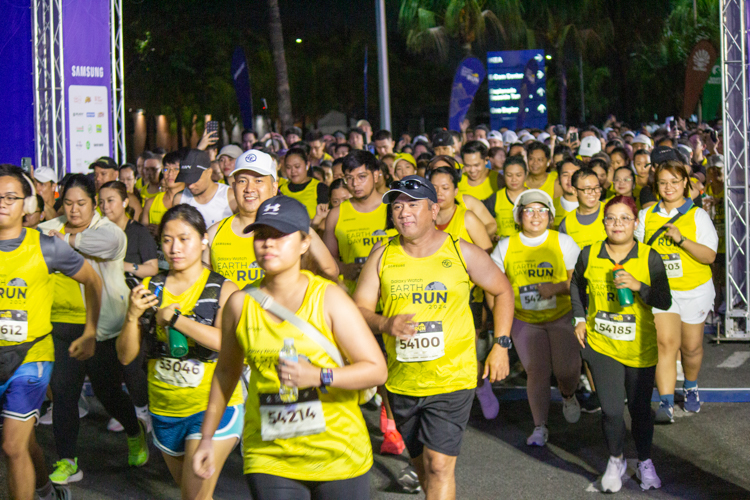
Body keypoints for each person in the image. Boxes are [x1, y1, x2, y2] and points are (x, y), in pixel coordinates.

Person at [191, 195, 386, 499]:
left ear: (305, 243)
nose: (268, 244)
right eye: (261, 235)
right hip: (269, 454)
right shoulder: (239, 304)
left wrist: (320, 376)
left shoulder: (329, 298)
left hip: (337, 453)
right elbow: (226, 372)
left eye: (280, 235)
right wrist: (206, 437)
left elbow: (376, 370)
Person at [353, 175, 515, 499]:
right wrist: (385, 324)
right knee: (424, 469)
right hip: (402, 381)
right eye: (397, 206)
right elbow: (358, 308)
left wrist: (501, 344)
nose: (403, 212)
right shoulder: (382, 255)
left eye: (412, 204)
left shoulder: (461, 251)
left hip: (453, 378)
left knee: (439, 465)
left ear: (434, 207)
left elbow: (502, 289)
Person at [117, 204, 244, 499]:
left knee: (194, 496)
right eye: (167, 240)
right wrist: (133, 316)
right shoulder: (150, 288)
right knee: (194, 493)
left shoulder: (222, 289)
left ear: (203, 242)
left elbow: (229, 344)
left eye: (185, 239)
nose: (175, 248)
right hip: (164, 408)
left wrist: (176, 319)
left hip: (213, 407)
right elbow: (125, 356)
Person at [38, 174, 148, 485]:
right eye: (69, 203)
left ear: (94, 204)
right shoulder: (48, 230)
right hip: (65, 325)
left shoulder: (110, 232)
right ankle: (67, 460)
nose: (74, 210)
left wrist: (64, 241)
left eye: (82, 204)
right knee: (64, 392)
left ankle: (133, 430)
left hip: (104, 327)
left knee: (108, 391)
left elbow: (100, 245)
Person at [0, 165, 102, 500]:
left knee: (12, 446)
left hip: (32, 356)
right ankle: (46, 491)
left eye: (11, 197)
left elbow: (92, 280)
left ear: (26, 203)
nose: (3, 202)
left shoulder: (46, 247)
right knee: (23, 443)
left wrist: (89, 331)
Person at [572, 195, 671, 492]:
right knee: (612, 411)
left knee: (640, 409)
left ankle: (644, 460)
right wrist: (578, 318)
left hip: (639, 346)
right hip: (602, 344)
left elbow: (664, 300)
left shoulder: (649, 256)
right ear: (603, 223)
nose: (618, 224)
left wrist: (639, 286)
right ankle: (615, 459)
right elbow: (576, 284)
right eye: (611, 218)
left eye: (624, 218)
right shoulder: (589, 254)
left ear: (635, 223)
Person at [491, 190, 582, 446]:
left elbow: (577, 282)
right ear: (519, 216)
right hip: (524, 319)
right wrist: (501, 323)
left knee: (567, 370)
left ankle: (568, 394)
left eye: (542, 210)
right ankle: (540, 426)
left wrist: (553, 288)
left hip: (561, 316)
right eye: (529, 210)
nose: (535, 215)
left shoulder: (563, 242)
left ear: (550, 216)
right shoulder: (505, 246)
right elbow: (495, 288)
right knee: (537, 371)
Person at [635, 152, 718, 423]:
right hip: (662, 293)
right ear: (655, 185)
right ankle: (666, 402)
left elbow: (709, 256)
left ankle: (691, 386)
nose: (668, 187)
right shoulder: (646, 216)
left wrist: (682, 240)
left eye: (674, 181)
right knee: (665, 344)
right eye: (662, 182)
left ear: (685, 183)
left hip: (694, 289)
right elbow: (635, 250)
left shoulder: (698, 216)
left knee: (691, 347)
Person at [204, 150, 338, 289]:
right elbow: (202, 284)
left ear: (274, 188)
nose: (249, 189)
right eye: (242, 181)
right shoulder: (215, 233)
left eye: (258, 181)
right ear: (233, 187)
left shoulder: (294, 228)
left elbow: (330, 272)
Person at [428, 167, 498, 420]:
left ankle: (481, 387)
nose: (439, 193)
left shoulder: (466, 218)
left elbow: (488, 253)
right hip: (431, 298)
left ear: (456, 190)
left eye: (445, 188)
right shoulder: (422, 217)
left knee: (465, 348)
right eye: (434, 187)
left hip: (467, 297)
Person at [98, 180, 157, 433]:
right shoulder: (98, 232)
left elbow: (152, 268)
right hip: (104, 305)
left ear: (124, 202)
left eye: (110, 200)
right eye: (101, 202)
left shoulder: (138, 232)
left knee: (131, 364)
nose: (105, 206)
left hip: (134, 306)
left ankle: (142, 411)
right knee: (110, 363)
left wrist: (123, 266)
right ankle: (126, 410)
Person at [428, 156, 497, 238]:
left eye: (446, 170)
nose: (440, 175)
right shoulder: (424, 208)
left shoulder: (467, 202)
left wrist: (474, 238)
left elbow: (491, 225)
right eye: (436, 171)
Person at [174, 149, 237, 228]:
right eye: (187, 180)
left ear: (209, 172)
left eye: (195, 179)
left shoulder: (230, 197)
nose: (190, 186)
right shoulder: (179, 199)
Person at [559, 168, 607, 250]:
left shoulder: (611, 213)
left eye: (596, 188)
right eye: (587, 189)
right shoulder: (566, 224)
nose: (593, 193)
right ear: (574, 191)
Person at [483, 155, 528, 240]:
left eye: (518, 175)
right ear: (503, 175)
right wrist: (491, 236)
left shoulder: (534, 197)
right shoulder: (495, 198)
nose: (514, 179)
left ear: (526, 174)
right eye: (509, 175)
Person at [142, 150, 184, 238]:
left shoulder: (191, 201)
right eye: (166, 169)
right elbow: (143, 236)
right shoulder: (151, 203)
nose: (170, 173)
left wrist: (162, 230)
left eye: (176, 169)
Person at [278, 147, 328, 219]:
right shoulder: (281, 190)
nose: (293, 171)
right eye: (288, 167)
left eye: (297, 166)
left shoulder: (320, 188)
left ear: (307, 165)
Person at [553, 157, 581, 228]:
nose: (570, 179)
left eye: (574, 175)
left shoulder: (594, 206)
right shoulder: (551, 207)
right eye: (565, 175)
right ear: (559, 179)